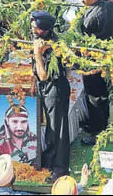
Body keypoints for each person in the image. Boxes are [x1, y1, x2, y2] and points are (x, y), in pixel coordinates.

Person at [78, 0, 113, 145]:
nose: (82, 1)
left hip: (93, 59)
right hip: (105, 56)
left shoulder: (93, 17)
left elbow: (84, 36)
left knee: (95, 97)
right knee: (101, 95)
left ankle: (98, 132)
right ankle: (98, 125)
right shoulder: (109, 5)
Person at [31, 10, 71, 182]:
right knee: (51, 127)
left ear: (43, 29)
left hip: (55, 89)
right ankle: (49, 159)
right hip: (47, 88)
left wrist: (37, 54)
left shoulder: (53, 47)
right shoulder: (40, 40)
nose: (32, 26)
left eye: (35, 25)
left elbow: (44, 75)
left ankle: (60, 169)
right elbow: (37, 74)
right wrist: (34, 80)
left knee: (58, 129)